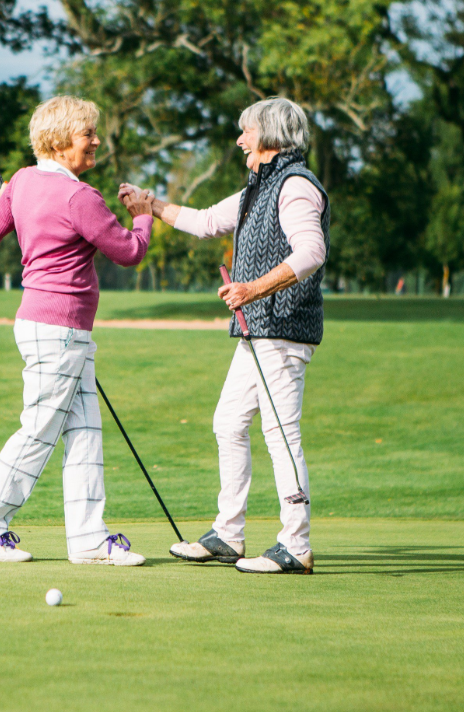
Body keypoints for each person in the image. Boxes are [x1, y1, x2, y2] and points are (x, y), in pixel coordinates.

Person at [119, 97, 328, 575]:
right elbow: (207, 221)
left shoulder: (295, 186)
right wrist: (151, 205)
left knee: (281, 433)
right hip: (257, 333)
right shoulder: (259, 188)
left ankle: (295, 545)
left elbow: (311, 251)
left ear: (271, 136)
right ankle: (228, 536)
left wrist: (252, 287)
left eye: (246, 131)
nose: (239, 140)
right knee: (228, 422)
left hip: (283, 329)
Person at [0, 95, 155, 566]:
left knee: (85, 432)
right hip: (59, 330)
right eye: (88, 133)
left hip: (47, 326)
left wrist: (3, 201)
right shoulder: (79, 196)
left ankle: (88, 540)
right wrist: (143, 213)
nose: (95, 141)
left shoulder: (23, 181)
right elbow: (129, 251)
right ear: (63, 139)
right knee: (38, 431)